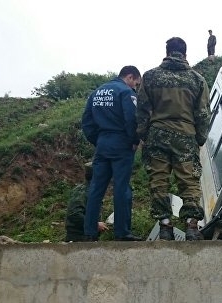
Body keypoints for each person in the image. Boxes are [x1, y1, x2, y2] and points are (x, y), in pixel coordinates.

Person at [136, 37, 211, 241]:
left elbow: (142, 109)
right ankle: (192, 227)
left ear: (167, 51)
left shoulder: (150, 77)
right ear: (185, 53)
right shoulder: (197, 80)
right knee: (189, 180)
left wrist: (143, 133)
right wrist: (200, 138)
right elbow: (203, 113)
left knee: (159, 179)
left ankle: (165, 227)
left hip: (157, 135)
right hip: (186, 136)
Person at [81, 66, 142, 242]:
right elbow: (131, 119)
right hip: (121, 144)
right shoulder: (125, 92)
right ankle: (122, 233)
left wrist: (98, 141)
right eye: (136, 84)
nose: (135, 88)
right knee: (121, 188)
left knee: (96, 188)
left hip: (102, 144)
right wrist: (134, 140)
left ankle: (89, 232)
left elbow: (87, 122)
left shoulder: (96, 93)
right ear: (130, 77)